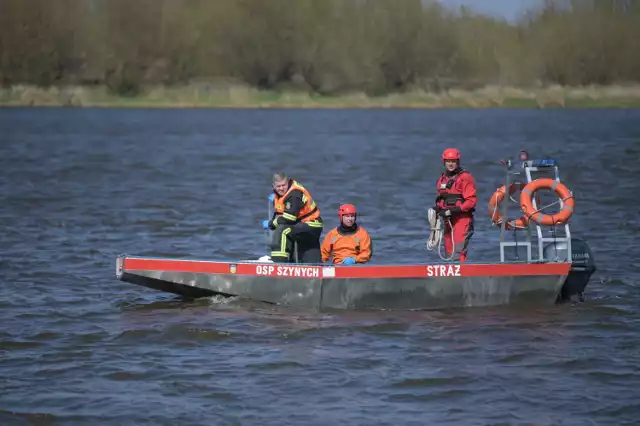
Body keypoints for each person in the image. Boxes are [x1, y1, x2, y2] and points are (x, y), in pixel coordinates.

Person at [262, 173, 323, 263]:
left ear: (288, 182)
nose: (281, 188)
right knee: (311, 258)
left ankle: (279, 262)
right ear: (273, 186)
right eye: (278, 186)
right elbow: (281, 213)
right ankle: (312, 266)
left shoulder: (294, 194)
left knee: (283, 231)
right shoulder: (280, 194)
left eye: (283, 185)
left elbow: (289, 218)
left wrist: (272, 223)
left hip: (310, 224)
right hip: (304, 224)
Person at [434, 148, 477, 262]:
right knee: (449, 253)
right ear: (444, 162)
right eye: (448, 161)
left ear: (458, 161)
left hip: (462, 219)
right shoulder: (442, 180)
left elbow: (471, 201)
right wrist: (437, 209)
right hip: (448, 220)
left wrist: (453, 211)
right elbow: (440, 199)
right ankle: (451, 278)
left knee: (458, 252)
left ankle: (461, 276)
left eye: (453, 161)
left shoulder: (465, 178)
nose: (451, 163)